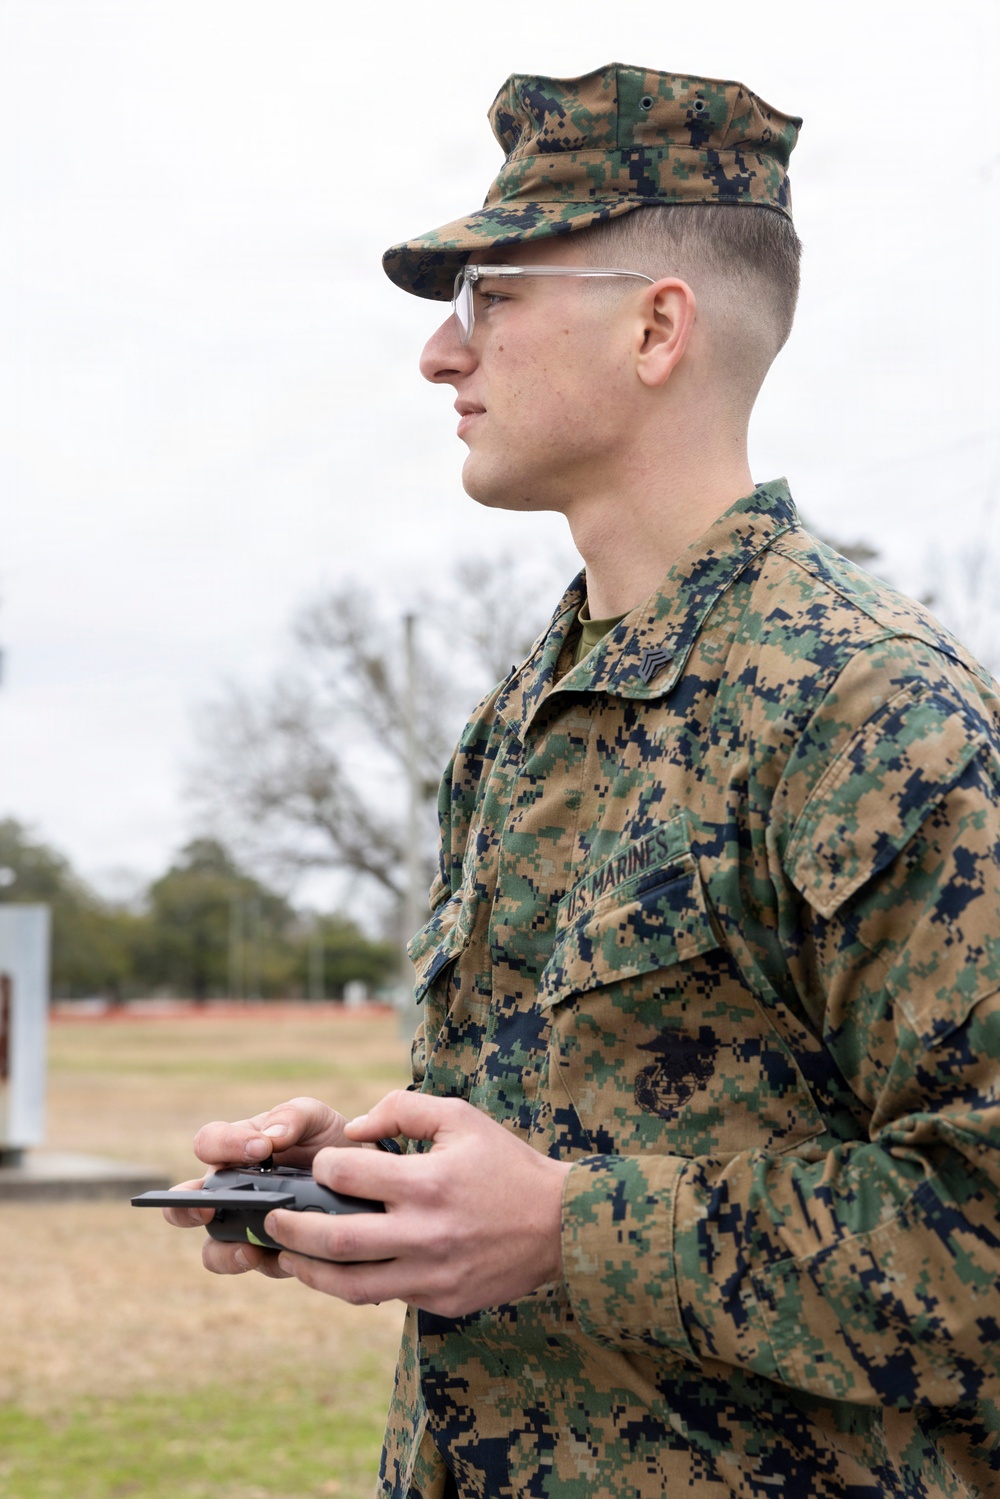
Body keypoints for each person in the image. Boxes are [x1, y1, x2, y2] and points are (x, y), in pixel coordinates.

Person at [165, 63, 1000, 1496]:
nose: (440, 352)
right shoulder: (523, 715)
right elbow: (595, 1124)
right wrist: (373, 1175)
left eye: (491, 295)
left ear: (657, 327)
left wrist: (567, 1226)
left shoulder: (874, 711)